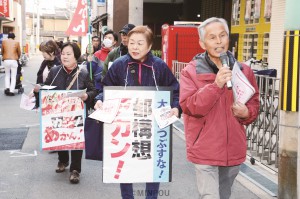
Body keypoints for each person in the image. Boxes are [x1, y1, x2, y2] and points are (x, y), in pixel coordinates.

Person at [94, 26, 181, 199]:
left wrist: (176, 107)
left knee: (153, 163)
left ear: (149, 46)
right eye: (132, 42)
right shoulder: (119, 65)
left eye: (140, 43)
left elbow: (175, 90)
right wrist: (99, 100)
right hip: (125, 124)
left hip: (153, 125)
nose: (135, 47)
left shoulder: (159, 66)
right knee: (125, 162)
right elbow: (105, 88)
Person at [179, 17, 260, 199]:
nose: (218, 41)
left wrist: (247, 113)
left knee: (224, 194)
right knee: (209, 195)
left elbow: (254, 101)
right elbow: (190, 106)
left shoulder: (244, 70)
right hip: (204, 147)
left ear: (228, 38)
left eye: (222, 36)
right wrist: (216, 85)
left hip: (233, 146)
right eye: (212, 37)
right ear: (202, 43)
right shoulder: (191, 71)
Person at [37, 42, 97, 184]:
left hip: (76, 113)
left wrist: (86, 96)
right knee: (60, 136)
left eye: (68, 54)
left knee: (76, 139)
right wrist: (39, 89)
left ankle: (75, 170)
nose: (64, 57)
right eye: (63, 54)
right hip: (58, 111)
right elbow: (47, 88)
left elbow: (93, 90)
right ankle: (63, 161)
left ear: (76, 56)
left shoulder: (83, 73)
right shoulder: (55, 71)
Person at [32, 40, 61, 109]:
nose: (42, 54)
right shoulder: (44, 63)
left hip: (55, 98)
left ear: (51, 52)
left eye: (44, 52)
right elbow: (39, 79)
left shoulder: (59, 64)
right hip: (43, 96)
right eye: (42, 51)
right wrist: (36, 90)